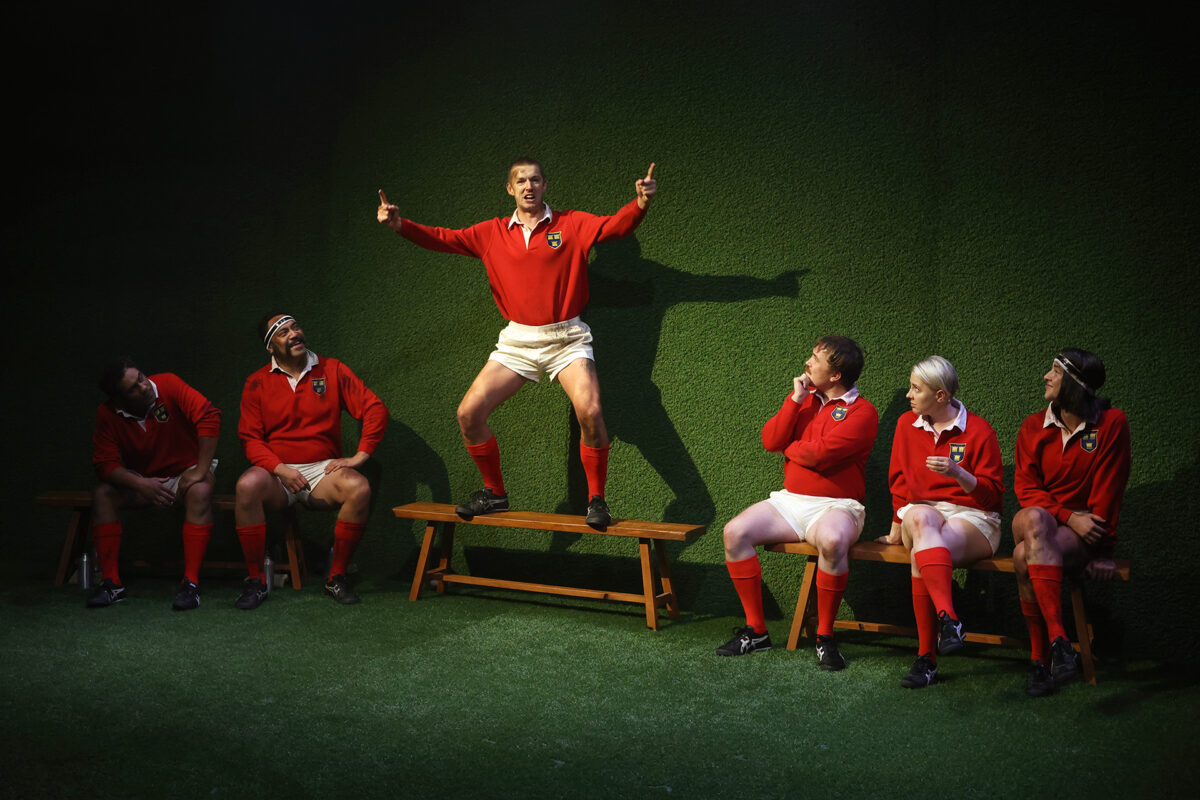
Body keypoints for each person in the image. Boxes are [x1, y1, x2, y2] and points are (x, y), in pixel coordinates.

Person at [376, 158, 657, 529]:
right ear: (510, 188)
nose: (529, 186)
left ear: (544, 185)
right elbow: (444, 238)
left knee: (589, 412)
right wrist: (400, 226)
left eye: (535, 180)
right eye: (521, 181)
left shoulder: (571, 224)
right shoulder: (490, 232)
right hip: (518, 341)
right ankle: (495, 494)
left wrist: (640, 203)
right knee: (468, 414)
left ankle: (596, 500)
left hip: (567, 338)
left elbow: (614, 227)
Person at [717, 336, 879, 669]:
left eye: (816, 359)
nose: (808, 363)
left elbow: (822, 456)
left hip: (838, 506)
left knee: (832, 541)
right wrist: (795, 399)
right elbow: (770, 439)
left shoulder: (863, 412)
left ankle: (825, 638)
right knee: (734, 532)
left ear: (835, 375)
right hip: (790, 502)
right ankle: (756, 632)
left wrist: (788, 448)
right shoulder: (803, 400)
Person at [233, 314, 388, 609]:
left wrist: (360, 456)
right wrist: (280, 469)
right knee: (246, 485)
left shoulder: (332, 369)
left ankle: (336, 576)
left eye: (295, 327)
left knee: (359, 487)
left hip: (321, 472)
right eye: (283, 332)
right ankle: (255, 581)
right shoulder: (257, 382)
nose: (294, 334)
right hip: (277, 473)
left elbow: (374, 408)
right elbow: (249, 439)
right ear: (270, 347)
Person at [1011, 349, 1130, 696]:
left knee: (1021, 557)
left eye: (1055, 371)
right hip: (1039, 517)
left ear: (1076, 383)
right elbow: (1026, 488)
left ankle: (1039, 661)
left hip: (1078, 531)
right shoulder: (1033, 426)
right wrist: (1067, 517)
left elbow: (1110, 490)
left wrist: (1104, 551)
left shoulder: (1112, 423)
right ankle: (1060, 639)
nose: (1046, 377)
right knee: (1036, 519)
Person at [880, 355, 1003, 688]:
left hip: (973, 517)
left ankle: (926, 659)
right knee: (921, 520)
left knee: (924, 552)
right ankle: (949, 619)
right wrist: (894, 530)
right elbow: (899, 482)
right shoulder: (906, 424)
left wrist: (959, 473)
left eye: (916, 389)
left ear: (940, 396)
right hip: (923, 513)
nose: (909, 395)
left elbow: (993, 499)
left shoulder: (979, 430)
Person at [89, 358, 221, 610]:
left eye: (141, 377)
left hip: (185, 473)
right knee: (103, 494)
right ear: (119, 399)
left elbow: (209, 415)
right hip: (143, 479)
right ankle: (111, 584)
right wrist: (140, 484)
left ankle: (191, 584)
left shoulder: (168, 384)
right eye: (133, 388)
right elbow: (104, 464)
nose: (144, 386)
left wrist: (200, 470)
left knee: (201, 488)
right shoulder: (107, 413)